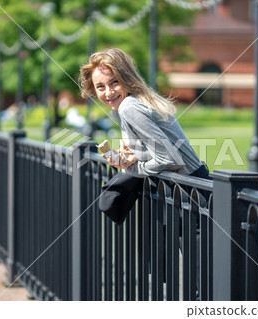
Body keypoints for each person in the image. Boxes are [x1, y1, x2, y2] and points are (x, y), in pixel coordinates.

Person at [79, 48, 209, 223]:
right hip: (185, 190)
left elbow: (169, 159)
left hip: (192, 194)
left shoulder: (128, 107)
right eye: (100, 87)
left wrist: (131, 170)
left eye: (114, 82)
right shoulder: (122, 106)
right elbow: (155, 150)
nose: (108, 92)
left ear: (127, 79)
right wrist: (131, 157)